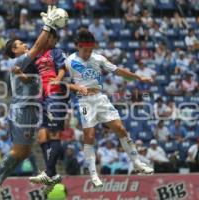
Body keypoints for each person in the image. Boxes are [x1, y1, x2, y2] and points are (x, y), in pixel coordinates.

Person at [0, 5, 69, 200]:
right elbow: (38, 46)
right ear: (15, 50)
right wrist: (47, 24)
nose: (25, 45)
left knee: (24, 153)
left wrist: (49, 27)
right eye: (21, 44)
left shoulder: (26, 63)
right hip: (21, 110)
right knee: (18, 151)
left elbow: (43, 46)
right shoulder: (18, 61)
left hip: (29, 111)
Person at [64, 30, 154, 187]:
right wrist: (75, 86)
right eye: (85, 50)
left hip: (101, 98)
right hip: (85, 101)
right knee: (90, 136)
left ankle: (137, 162)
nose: (88, 53)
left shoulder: (98, 58)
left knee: (120, 128)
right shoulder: (69, 61)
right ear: (78, 46)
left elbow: (118, 71)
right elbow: (62, 83)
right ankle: (93, 173)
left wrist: (139, 77)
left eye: (91, 50)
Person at [28, 29, 69, 185]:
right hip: (41, 98)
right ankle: (52, 174)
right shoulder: (37, 55)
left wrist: (57, 79)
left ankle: (49, 172)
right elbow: (29, 73)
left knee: (53, 134)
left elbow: (62, 68)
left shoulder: (56, 52)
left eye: (51, 37)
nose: (47, 39)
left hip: (55, 95)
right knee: (42, 137)